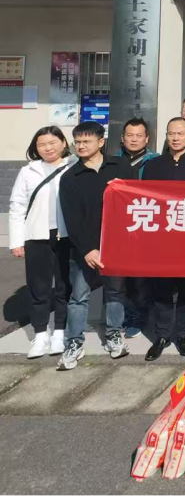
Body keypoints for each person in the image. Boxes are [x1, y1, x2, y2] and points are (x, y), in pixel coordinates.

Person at [57, 121, 136, 371]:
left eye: (86, 141)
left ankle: (114, 334)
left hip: (116, 245)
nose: (81, 146)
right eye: (77, 142)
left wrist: (123, 188)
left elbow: (136, 201)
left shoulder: (121, 166)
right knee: (78, 297)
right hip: (84, 249)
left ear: (101, 142)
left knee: (115, 292)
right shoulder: (70, 177)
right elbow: (72, 219)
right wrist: (88, 249)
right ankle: (74, 342)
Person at [141, 117, 185, 361]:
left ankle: (183, 333)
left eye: (180, 133)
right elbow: (144, 198)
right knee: (161, 289)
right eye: (171, 133)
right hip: (161, 237)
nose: (175, 138)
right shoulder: (153, 165)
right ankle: (162, 335)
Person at [9, 126, 76, 359]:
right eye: (41, 144)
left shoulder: (74, 166)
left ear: (63, 143)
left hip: (66, 236)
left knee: (63, 286)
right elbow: (17, 206)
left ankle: (59, 331)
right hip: (36, 236)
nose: (48, 148)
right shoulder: (28, 171)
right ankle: (40, 334)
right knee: (38, 287)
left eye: (52, 142)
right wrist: (16, 241)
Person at [116, 117, 158, 338]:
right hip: (118, 227)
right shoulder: (112, 162)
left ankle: (140, 317)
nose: (134, 139)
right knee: (120, 278)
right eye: (130, 135)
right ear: (122, 138)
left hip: (145, 226)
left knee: (141, 278)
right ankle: (124, 316)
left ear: (146, 138)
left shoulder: (155, 161)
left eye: (138, 135)